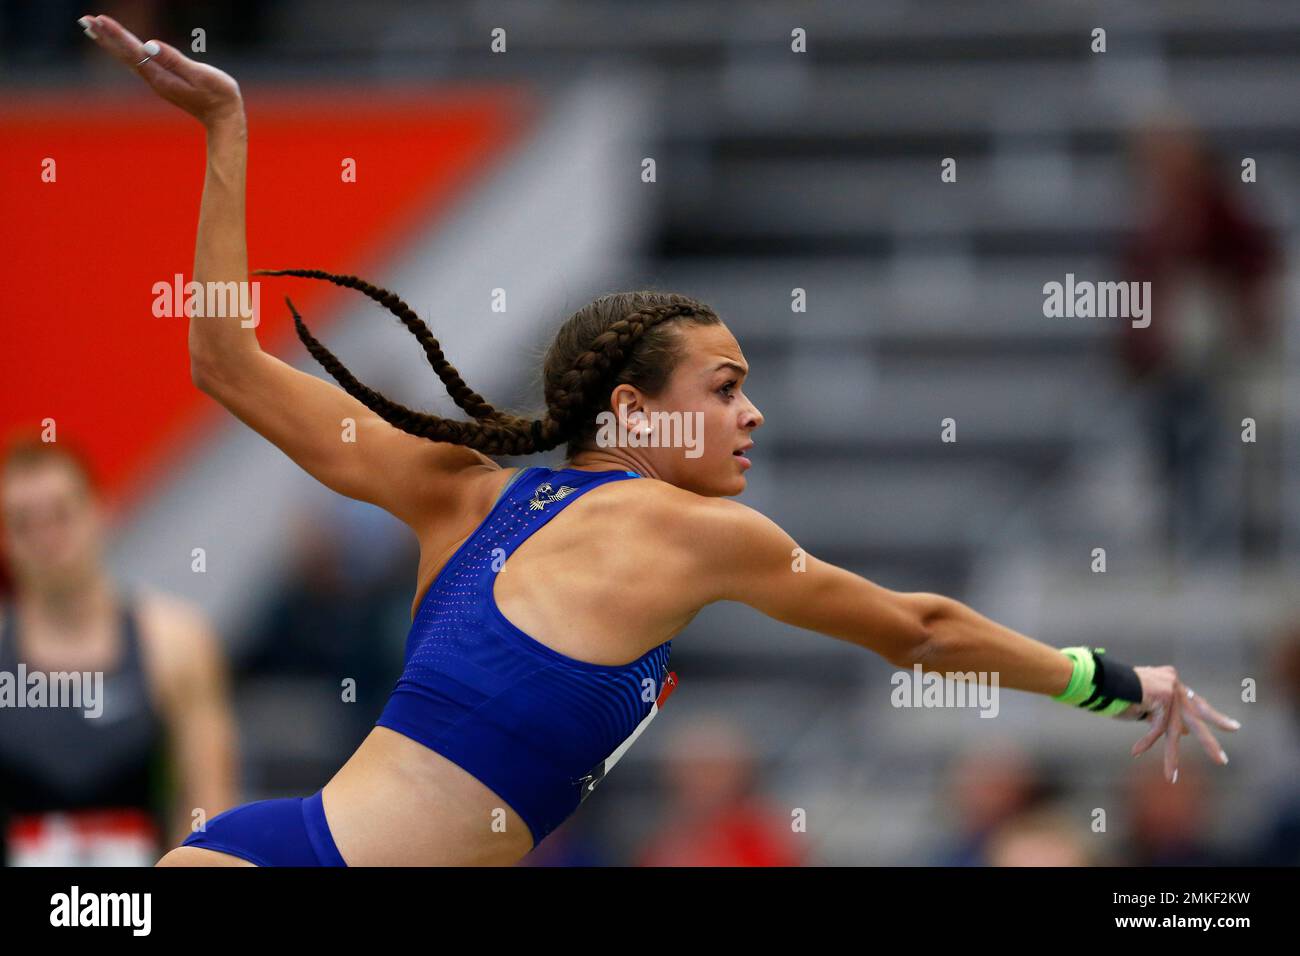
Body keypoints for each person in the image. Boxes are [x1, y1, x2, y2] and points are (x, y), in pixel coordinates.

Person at [78, 13, 1243, 868]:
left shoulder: (460, 493)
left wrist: (226, 129)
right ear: (634, 414)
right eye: (726, 387)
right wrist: (1111, 681)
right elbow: (922, 628)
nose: (754, 414)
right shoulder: (684, 530)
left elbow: (219, 361)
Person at [0, 436, 237, 865]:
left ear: (99, 512)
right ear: (6, 538)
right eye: (24, 523)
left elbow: (209, 813)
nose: (46, 538)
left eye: (59, 516)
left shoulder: (176, 644)